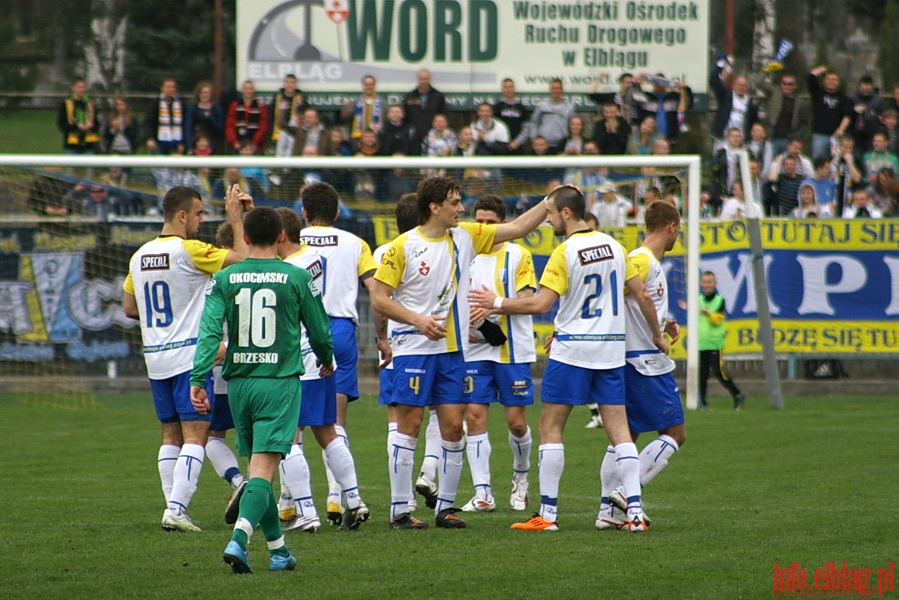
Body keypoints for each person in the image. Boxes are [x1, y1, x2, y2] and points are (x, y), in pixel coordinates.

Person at [370, 176, 552, 530]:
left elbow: (515, 228)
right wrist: (418, 320)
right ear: (434, 207)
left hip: (454, 352)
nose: (460, 208)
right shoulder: (401, 247)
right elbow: (379, 298)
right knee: (409, 426)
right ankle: (399, 511)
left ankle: (445, 509)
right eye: (454, 202)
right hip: (413, 350)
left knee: (454, 427)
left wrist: (549, 201)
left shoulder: (465, 236)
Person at [468, 184, 647, 532]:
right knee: (620, 433)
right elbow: (634, 295)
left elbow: (539, 304)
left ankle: (547, 516)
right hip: (610, 349)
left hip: (572, 351)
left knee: (551, 427)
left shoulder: (564, 252)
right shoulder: (616, 246)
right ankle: (636, 514)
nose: (547, 220)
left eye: (550, 214)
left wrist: (496, 303)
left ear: (566, 213)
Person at [189, 206, 333, 574]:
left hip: (239, 384)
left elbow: (208, 333)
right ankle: (238, 539)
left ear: (246, 238)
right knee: (263, 473)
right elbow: (318, 330)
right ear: (283, 236)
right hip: (279, 383)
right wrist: (326, 358)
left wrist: (197, 378)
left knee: (259, 469)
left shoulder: (225, 278)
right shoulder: (297, 277)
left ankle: (279, 551)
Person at [122, 185, 249, 532]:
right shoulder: (189, 250)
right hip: (190, 358)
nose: (201, 220)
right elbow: (242, 260)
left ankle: (172, 507)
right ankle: (176, 509)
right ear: (181, 215)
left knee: (170, 437)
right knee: (196, 435)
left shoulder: (139, 256)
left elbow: (130, 308)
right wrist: (236, 217)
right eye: (199, 213)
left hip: (156, 359)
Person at [274, 206, 372, 533]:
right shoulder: (313, 260)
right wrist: (326, 353)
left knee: (287, 437)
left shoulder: (284, 270)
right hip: (322, 350)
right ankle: (355, 500)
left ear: (281, 235)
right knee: (328, 431)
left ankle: (305, 512)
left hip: (294, 358)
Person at [295, 183, 381, 522]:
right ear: (337, 212)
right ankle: (338, 497)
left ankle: (294, 503)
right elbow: (375, 291)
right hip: (341, 331)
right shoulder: (356, 243)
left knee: (294, 422)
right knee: (334, 421)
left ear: (303, 212)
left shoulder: (293, 240)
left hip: (301, 329)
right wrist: (383, 336)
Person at [597, 200, 683, 530]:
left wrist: (666, 321)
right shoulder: (640, 260)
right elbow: (613, 299)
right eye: (679, 230)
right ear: (671, 227)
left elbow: (638, 303)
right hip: (643, 361)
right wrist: (655, 334)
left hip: (632, 359)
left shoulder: (643, 261)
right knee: (675, 432)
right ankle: (623, 493)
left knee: (626, 436)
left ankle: (608, 511)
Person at [460, 195, 536, 513]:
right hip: (474, 350)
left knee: (516, 423)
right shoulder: (465, 255)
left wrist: (494, 303)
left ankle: (520, 479)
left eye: (490, 222)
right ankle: (483, 493)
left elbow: (529, 300)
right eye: (479, 221)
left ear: (503, 224)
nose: (484, 227)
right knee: (474, 417)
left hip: (512, 350)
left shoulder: (518, 255)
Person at [207, 222, 247, 506]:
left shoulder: (212, 276)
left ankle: (237, 480)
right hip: (259, 367)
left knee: (212, 436)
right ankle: (285, 499)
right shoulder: (264, 271)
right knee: (266, 439)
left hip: (221, 367)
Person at [697, 271, 745, 410]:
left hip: (715, 343)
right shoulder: (698, 300)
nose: (706, 285)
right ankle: (703, 403)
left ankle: (737, 394)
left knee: (719, 373)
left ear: (715, 283)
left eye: (709, 282)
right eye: (704, 282)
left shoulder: (720, 300)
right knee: (702, 375)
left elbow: (717, 320)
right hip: (701, 343)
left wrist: (707, 313)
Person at [509, 78, 575, 154]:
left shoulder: (569, 108)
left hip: (561, 146)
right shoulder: (542, 106)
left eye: (558, 88)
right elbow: (533, 123)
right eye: (553, 88)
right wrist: (535, 140)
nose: (555, 91)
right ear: (550, 90)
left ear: (562, 90)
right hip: (543, 148)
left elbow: (572, 127)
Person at [806, 66, 853, 161]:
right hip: (819, 135)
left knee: (835, 162)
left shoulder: (844, 99)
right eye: (828, 79)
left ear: (839, 82)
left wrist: (841, 129)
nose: (831, 82)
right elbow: (810, 77)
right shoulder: (818, 94)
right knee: (818, 162)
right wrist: (822, 69)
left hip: (836, 137)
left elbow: (848, 115)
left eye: (834, 79)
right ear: (823, 81)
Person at [710, 60, 759, 148]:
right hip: (723, 138)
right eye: (739, 85)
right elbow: (714, 80)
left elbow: (755, 122)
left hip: (742, 140)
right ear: (733, 86)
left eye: (744, 85)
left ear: (747, 88)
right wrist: (721, 64)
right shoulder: (726, 97)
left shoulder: (751, 104)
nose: (741, 87)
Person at [761, 73, 809, 156]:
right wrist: (768, 69)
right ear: (781, 84)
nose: (787, 86)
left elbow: (805, 122)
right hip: (771, 137)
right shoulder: (774, 93)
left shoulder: (801, 103)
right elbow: (759, 81)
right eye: (784, 83)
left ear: (795, 86)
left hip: (788, 140)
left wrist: (797, 136)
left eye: (790, 84)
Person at [403, 69, 448, 155]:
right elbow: (405, 116)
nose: (423, 81)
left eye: (426, 79)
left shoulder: (438, 96)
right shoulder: (410, 96)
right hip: (414, 136)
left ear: (429, 79)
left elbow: (444, 114)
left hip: (433, 134)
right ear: (417, 79)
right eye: (421, 79)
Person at [225, 80, 270, 154]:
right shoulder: (234, 106)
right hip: (238, 145)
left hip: (255, 146)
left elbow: (263, 127)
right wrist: (235, 141)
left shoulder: (261, 106)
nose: (248, 91)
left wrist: (254, 143)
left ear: (253, 90)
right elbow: (229, 126)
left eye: (250, 89)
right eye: (246, 88)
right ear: (242, 90)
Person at [340, 74, 385, 147]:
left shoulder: (383, 103)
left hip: (377, 141)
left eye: (371, 84)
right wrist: (345, 107)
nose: (369, 87)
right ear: (363, 86)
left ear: (374, 85)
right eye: (366, 84)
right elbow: (345, 119)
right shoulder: (355, 102)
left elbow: (385, 121)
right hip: (358, 140)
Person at [57, 77, 99, 154]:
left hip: (88, 144)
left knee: (89, 165)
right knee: (71, 165)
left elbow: (97, 124)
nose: (81, 89)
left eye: (83, 87)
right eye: (79, 87)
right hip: (71, 144)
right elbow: (62, 124)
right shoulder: (66, 104)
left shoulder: (90, 104)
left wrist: (90, 126)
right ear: (73, 88)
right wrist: (76, 126)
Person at [145, 78, 185, 155]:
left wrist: (183, 142)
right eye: (168, 87)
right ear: (162, 88)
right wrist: (150, 138)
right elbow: (149, 121)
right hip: (159, 141)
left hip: (176, 142)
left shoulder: (181, 103)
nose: (171, 89)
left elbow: (184, 123)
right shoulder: (156, 103)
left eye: (172, 87)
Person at [270, 74, 306, 157]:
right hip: (279, 129)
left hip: (293, 130)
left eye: (292, 82)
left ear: (295, 85)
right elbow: (271, 115)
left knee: (291, 152)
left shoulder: (301, 97)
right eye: (287, 82)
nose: (289, 85)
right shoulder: (277, 97)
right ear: (284, 83)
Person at [185, 81, 224, 154]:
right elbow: (188, 128)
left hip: (212, 145)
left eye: (207, 93)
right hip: (196, 144)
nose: (205, 95)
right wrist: (189, 146)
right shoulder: (192, 108)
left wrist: (211, 119)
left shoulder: (216, 109)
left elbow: (219, 129)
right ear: (198, 94)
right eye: (202, 92)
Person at [849, 75, 883, 158]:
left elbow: (881, 115)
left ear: (872, 86)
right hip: (856, 134)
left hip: (872, 134)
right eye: (864, 85)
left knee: (870, 157)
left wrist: (870, 112)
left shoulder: (877, 100)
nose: (866, 87)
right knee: (857, 157)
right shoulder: (852, 99)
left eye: (868, 85)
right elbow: (847, 115)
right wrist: (854, 111)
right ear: (860, 85)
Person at [493, 78, 530, 147]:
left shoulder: (521, 107)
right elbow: (494, 127)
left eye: (510, 87)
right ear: (502, 89)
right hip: (501, 145)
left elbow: (526, 128)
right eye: (506, 87)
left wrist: (517, 142)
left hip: (517, 145)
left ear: (514, 89)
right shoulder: (497, 107)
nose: (508, 90)